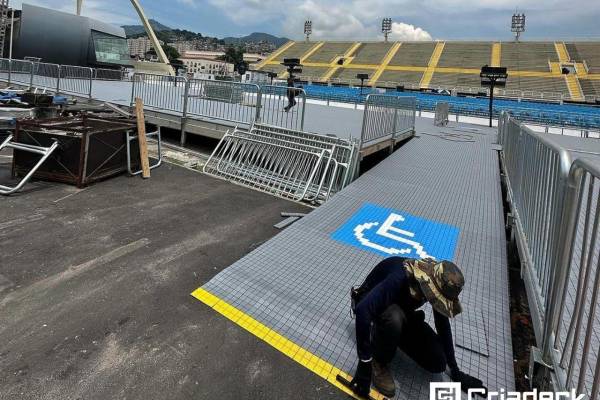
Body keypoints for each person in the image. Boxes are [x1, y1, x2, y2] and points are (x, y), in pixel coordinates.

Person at [349, 257, 487, 398]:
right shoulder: (400, 277)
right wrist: (365, 363)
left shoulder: (436, 282)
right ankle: (378, 362)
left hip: (400, 310)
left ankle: (389, 335)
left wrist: (455, 371)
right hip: (372, 304)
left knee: (438, 361)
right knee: (394, 318)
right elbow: (362, 310)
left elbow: (442, 326)